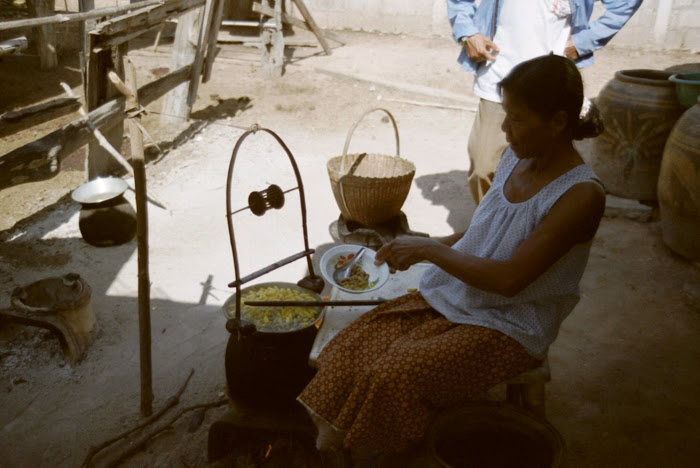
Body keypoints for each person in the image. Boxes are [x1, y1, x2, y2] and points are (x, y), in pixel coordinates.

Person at [297, 54, 607, 462]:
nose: (503, 128)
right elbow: (488, 228)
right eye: (505, 114)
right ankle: (341, 439)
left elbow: (510, 280)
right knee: (350, 346)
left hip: (510, 322)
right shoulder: (517, 155)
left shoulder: (580, 195)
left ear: (558, 122)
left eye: (516, 118)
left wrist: (431, 251)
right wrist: (433, 243)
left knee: (393, 374)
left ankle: (393, 448)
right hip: (462, 292)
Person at [447, 0, 641, 204]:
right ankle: (492, 227)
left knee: (543, 172)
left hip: (551, 84)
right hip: (499, 75)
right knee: (484, 167)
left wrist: (582, 42)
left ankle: (531, 230)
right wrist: (468, 33)